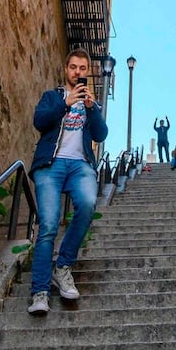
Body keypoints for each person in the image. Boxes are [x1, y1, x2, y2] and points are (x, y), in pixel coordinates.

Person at [27, 49, 108, 315]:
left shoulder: (90, 104)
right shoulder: (53, 96)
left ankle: (62, 267)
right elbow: (40, 122)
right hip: (50, 165)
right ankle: (39, 292)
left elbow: (101, 133)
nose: (78, 72)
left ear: (88, 72)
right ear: (66, 69)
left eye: (83, 68)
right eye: (73, 67)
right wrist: (66, 102)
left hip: (79, 165)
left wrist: (91, 109)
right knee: (48, 224)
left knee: (86, 205)